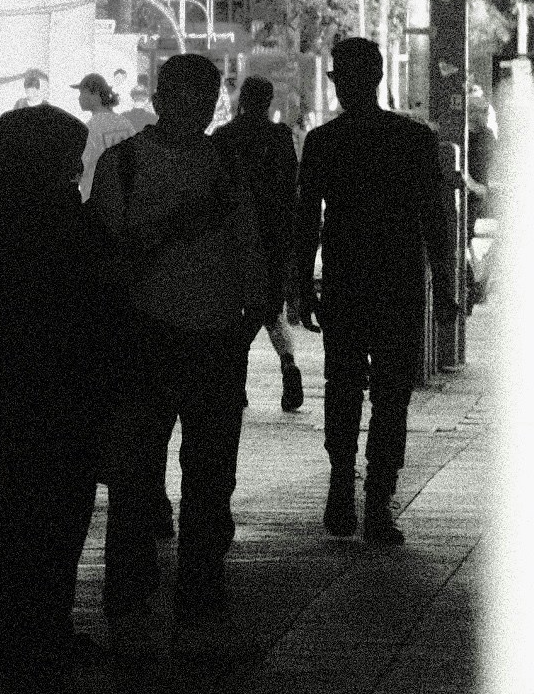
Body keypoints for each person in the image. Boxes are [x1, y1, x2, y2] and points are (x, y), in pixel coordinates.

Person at [89, 51, 268, 633]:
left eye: (203, 98)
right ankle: (192, 580)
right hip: (184, 335)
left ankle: (141, 583)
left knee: (153, 467)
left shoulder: (141, 165)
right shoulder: (136, 164)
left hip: (165, 335)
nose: (195, 109)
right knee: (197, 467)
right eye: (189, 98)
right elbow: (247, 252)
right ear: (163, 99)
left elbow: (108, 254)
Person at [0, 104, 112, 666]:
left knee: (19, 494)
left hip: (10, 373)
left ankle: (6, 617)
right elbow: (92, 284)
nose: (75, 169)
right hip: (66, 375)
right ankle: (46, 619)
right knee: (64, 501)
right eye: (69, 159)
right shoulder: (61, 219)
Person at [294, 36, 459, 545]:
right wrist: (447, 288)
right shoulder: (413, 140)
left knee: (343, 388)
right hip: (398, 281)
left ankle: (343, 487)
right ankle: (377, 499)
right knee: (391, 395)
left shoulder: (324, 142)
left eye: (343, 77)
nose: (344, 86)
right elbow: (437, 218)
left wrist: (301, 284)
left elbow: (307, 220)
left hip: (346, 281)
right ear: (381, 76)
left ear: (345, 81)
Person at [215, 73, 306, 418]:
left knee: (237, 310)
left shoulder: (224, 137)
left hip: (234, 238)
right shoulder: (280, 137)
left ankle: (234, 380)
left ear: (242, 99)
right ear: (268, 102)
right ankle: (287, 365)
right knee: (270, 310)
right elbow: (291, 189)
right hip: (273, 237)